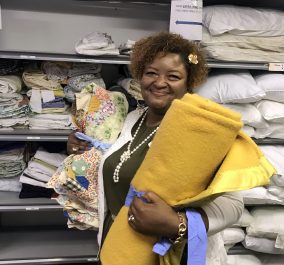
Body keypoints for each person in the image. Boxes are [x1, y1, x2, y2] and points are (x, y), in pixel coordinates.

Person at [67, 31, 244, 264]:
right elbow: (113, 163)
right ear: (140, 76)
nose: (160, 82)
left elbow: (233, 204)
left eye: (173, 76)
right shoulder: (130, 119)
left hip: (174, 252)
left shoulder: (202, 130)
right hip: (120, 244)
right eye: (151, 73)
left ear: (189, 82)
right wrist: (81, 144)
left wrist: (176, 223)